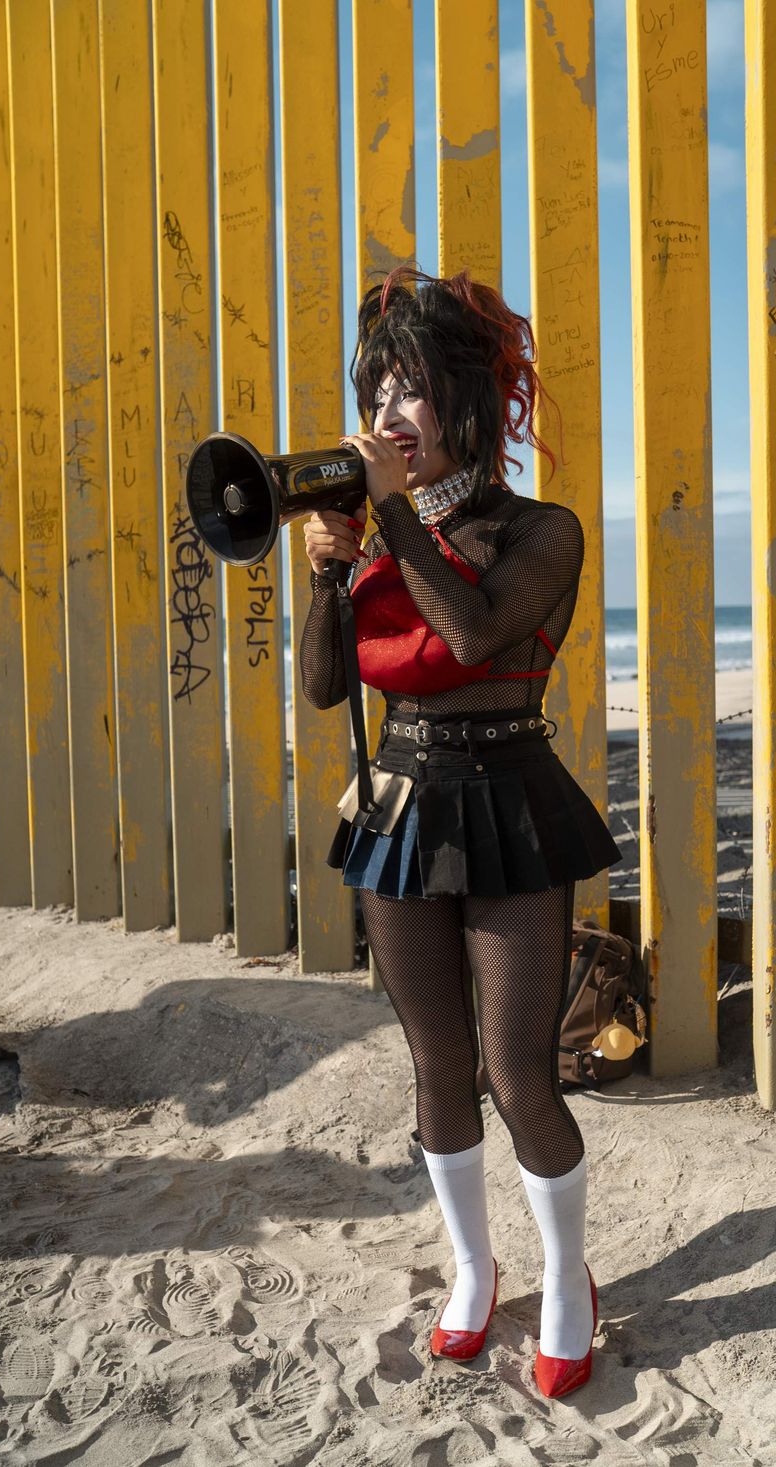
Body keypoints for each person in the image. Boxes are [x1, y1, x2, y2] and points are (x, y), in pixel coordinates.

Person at [299, 266, 621, 1398]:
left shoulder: (542, 530)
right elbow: (327, 690)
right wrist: (329, 577)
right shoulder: (385, 536)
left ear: (470, 406)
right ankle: (475, 1273)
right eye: (375, 388)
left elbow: (477, 632)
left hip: (511, 806)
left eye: (412, 391)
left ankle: (569, 1279)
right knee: (433, 1064)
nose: (386, 415)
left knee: (513, 1072)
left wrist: (387, 517)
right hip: (398, 807)